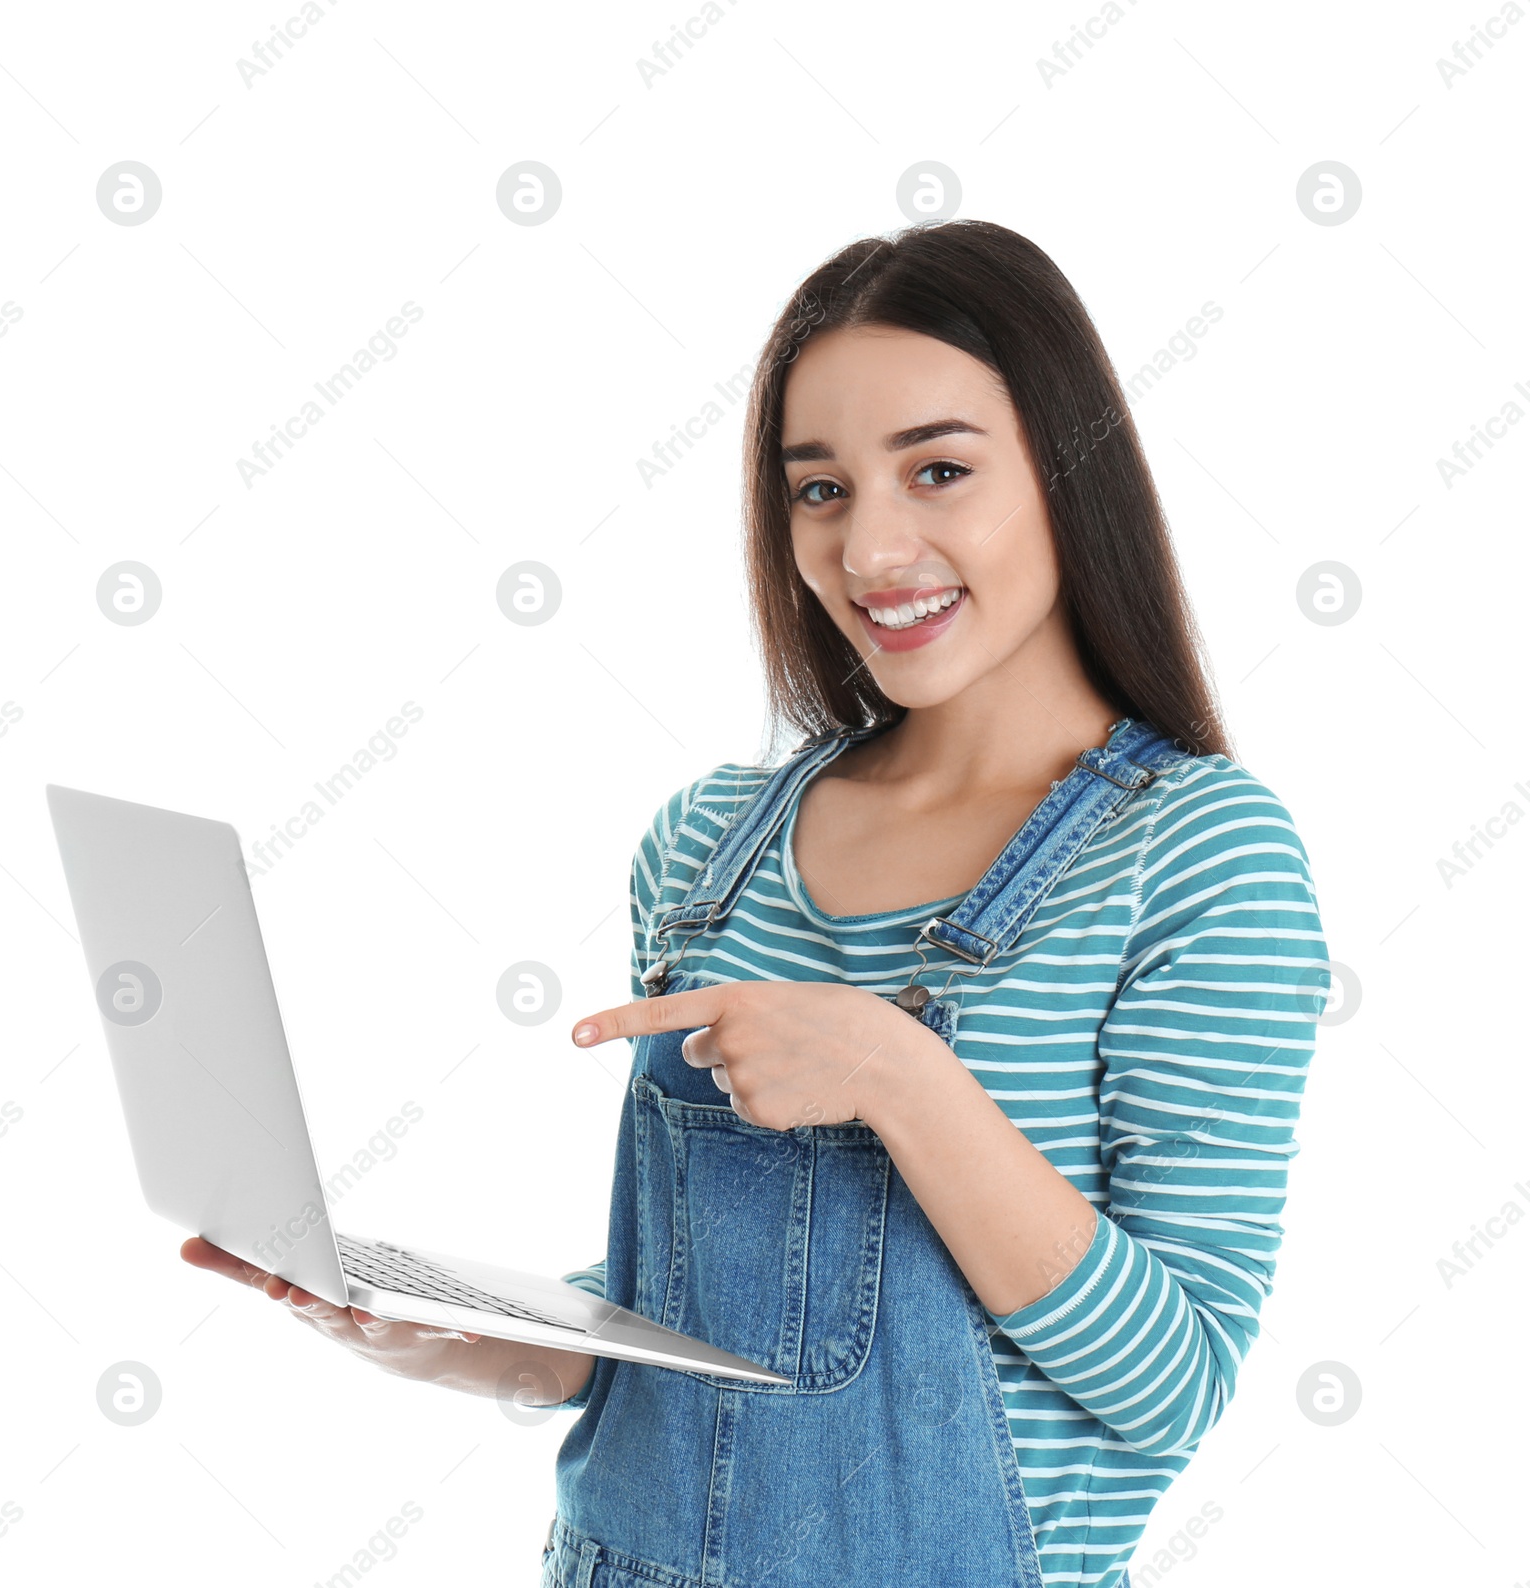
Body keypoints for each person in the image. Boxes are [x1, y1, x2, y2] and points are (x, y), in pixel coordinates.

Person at [184, 220, 1332, 1588]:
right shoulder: (708, 844)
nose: (873, 547)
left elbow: (1175, 1383)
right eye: (821, 490)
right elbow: (713, 1337)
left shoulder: (1201, 856)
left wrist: (904, 1079)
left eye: (941, 471)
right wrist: (454, 1335)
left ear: (1072, 476)